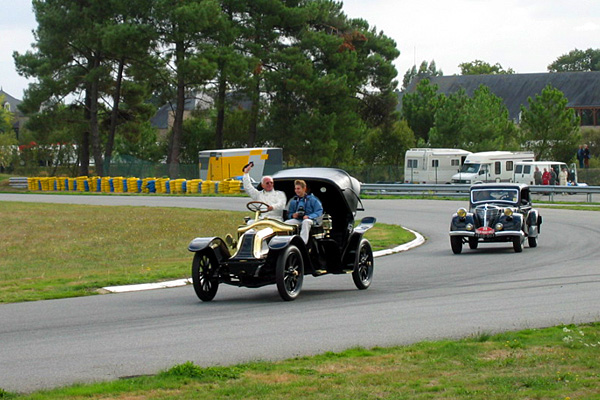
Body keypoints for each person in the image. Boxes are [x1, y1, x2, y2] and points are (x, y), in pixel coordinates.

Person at [285, 180, 323, 244]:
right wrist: (292, 215)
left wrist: (309, 216)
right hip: (298, 219)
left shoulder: (313, 199)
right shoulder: (293, 200)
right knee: (286, 223)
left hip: (311, 220)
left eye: (298, 189)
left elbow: (319, 211)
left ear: (304, 188)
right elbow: (289, 213)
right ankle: (286, 241)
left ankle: (302, 243)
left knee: (306, 222)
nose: (296, 191)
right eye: (295, 189)